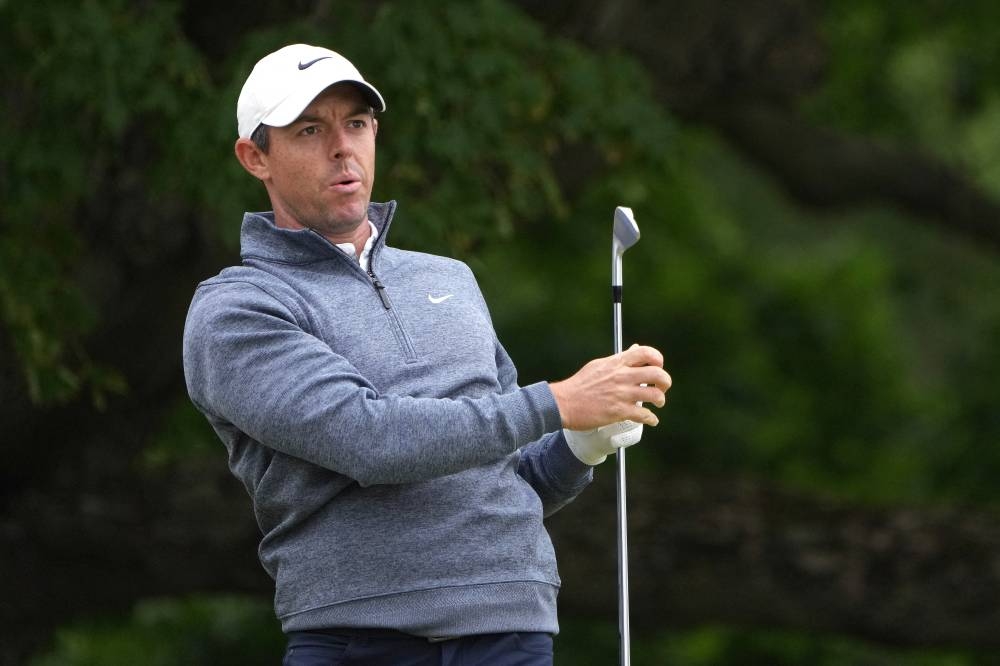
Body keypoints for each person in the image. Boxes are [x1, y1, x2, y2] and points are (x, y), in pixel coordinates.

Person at [182, 43, 671, 666]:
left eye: (355, 124)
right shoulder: (238, 308)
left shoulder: (451, 278)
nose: (342, 148)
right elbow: (368, 439)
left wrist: (583, 442)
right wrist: (557, 402)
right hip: (360, 639)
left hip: (511, 629)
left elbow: (509, 478)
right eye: (310, 130)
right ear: (256, 158)